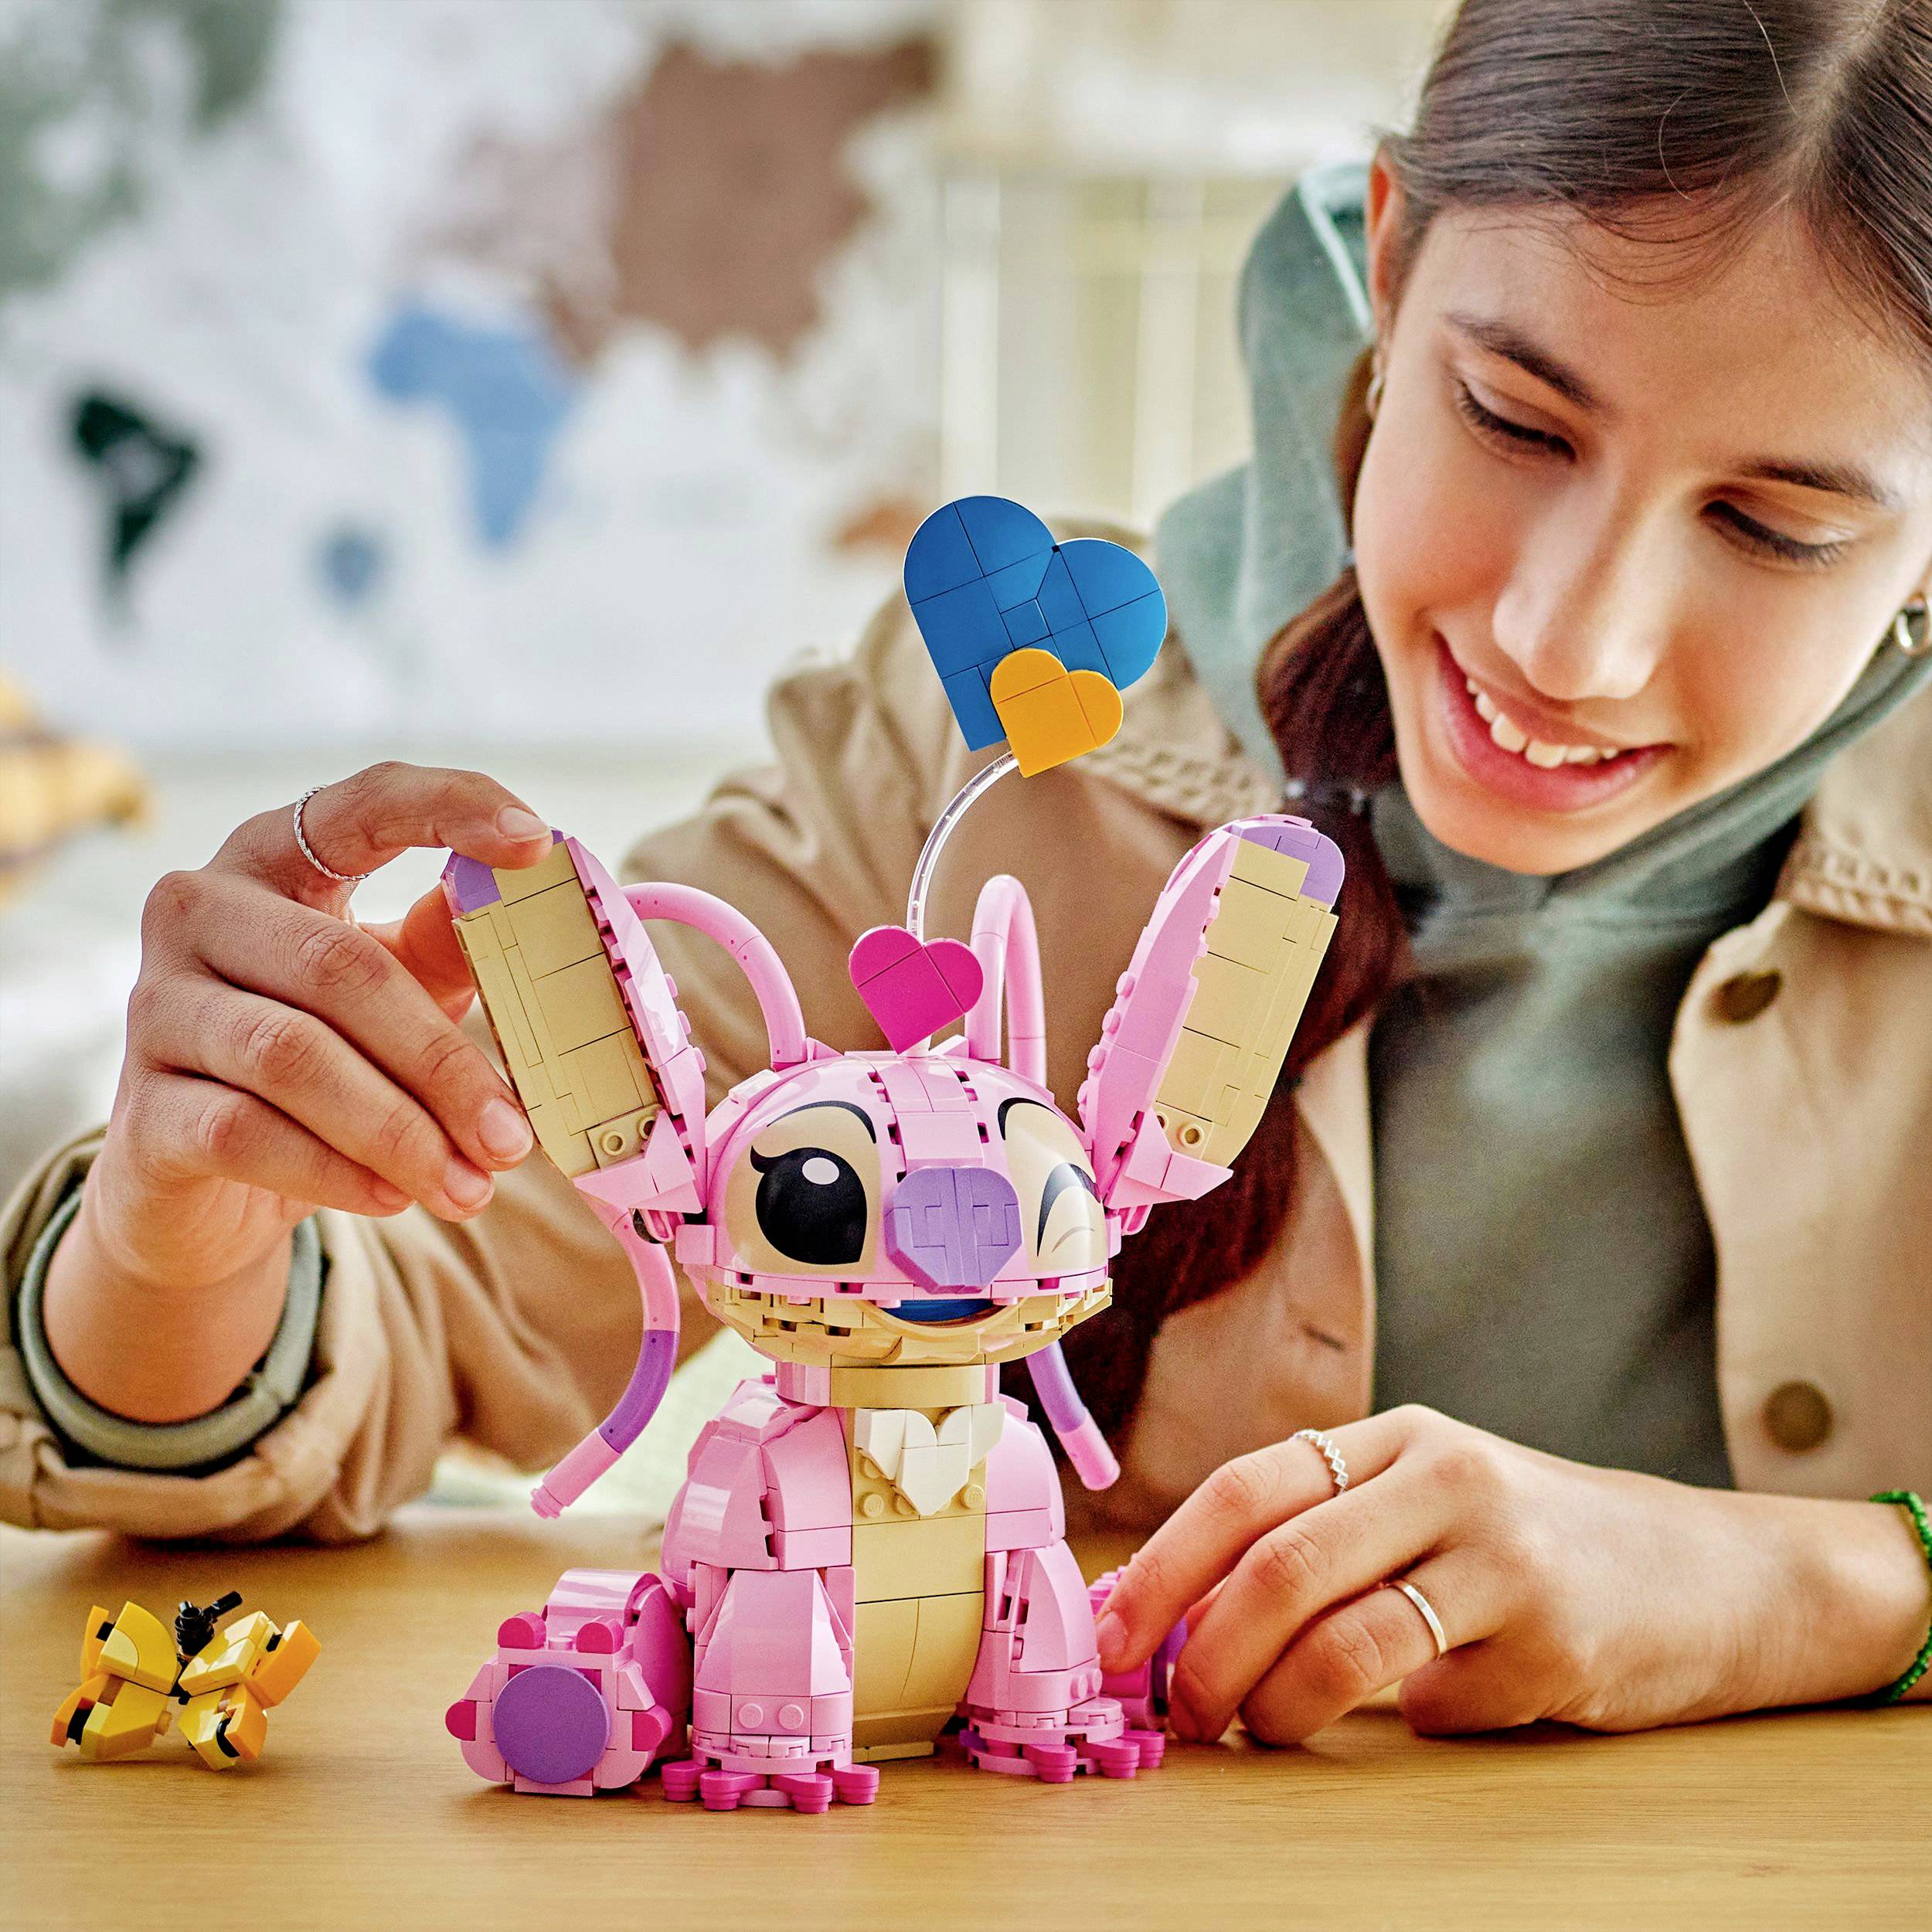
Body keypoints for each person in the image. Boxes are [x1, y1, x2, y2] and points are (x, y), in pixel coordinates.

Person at [5, 0, 1929, 1747]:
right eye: (1511, 417)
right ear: (1390, 253)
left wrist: (1807, 1585)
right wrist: (182, 1228)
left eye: (1770, 526)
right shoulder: (968, 753)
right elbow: (382, 1338)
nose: (1565, 637)